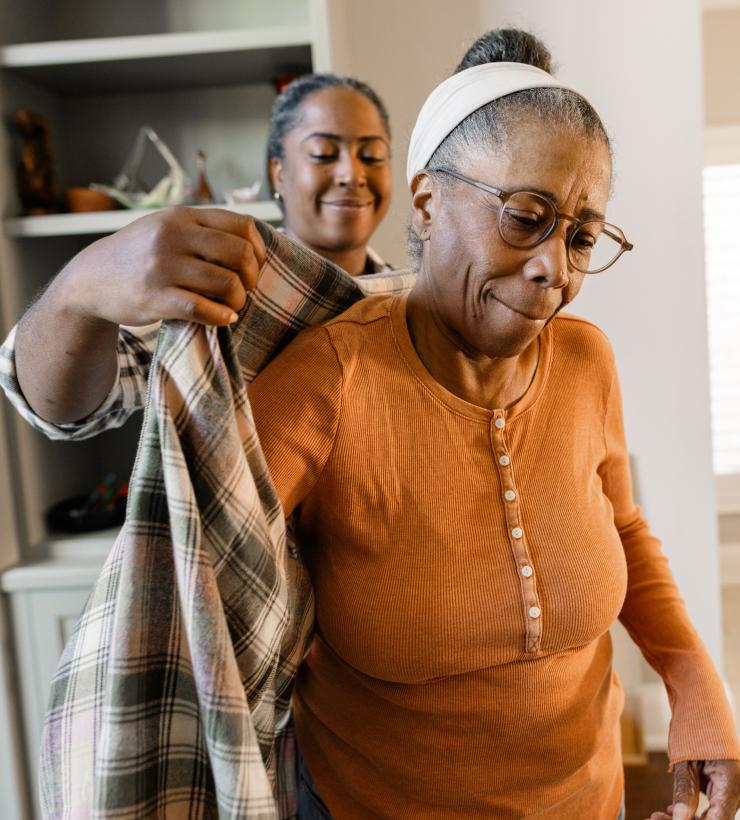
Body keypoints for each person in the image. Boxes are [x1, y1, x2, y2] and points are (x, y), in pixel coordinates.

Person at [3, 28, 740, 820]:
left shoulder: (585, 361)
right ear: (428, 201)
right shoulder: (319, 370)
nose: (555, 270)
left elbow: (622, 523)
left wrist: (697, 684)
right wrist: (82, 287)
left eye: (582, 237)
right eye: (526, 218)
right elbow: (184, 585)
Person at [4, 72, 392, 429]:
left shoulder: (411, 304)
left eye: (372, 155)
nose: (352, 174)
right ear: (279, 172)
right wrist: (77, 291)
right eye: (324, 153)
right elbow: (61, 408)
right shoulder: (221, 287)